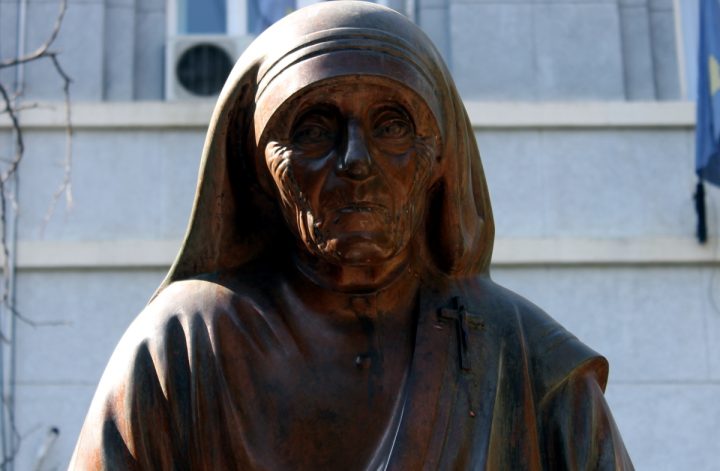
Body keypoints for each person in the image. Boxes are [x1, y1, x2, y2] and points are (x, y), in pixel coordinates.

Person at [70, 2, 634, 469]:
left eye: (392, 126)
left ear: (441, 157)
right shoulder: (183, 344)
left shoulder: (524, 354)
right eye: (314, 130)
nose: (356, 161)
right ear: (258, 166)